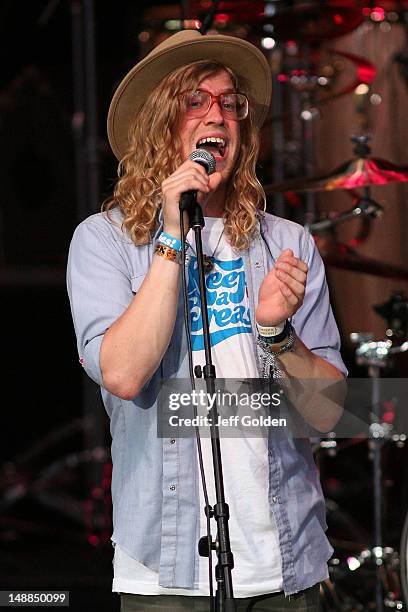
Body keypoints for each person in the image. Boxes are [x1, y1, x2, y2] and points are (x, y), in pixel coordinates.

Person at [67, 29, 347, 612]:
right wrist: (172, 236)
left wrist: (276, 332)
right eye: (194, 100)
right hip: (165, 570)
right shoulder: (106, 242)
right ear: (159, 125)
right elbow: (122, 373)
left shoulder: (287, 244)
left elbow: (328, 413)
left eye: (228, 102)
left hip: (285, 564)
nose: (216, 113)